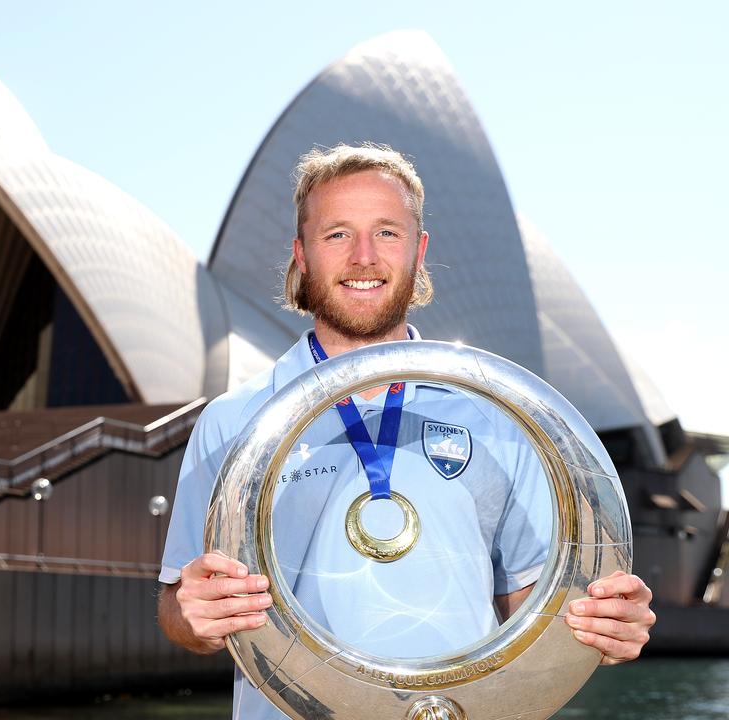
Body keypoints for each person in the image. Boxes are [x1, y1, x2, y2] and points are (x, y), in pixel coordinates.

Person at [157, 144, 657, 717]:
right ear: (302, 254)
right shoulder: (234, 420)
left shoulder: (498, 413)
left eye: (388, 233)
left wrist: (600, 625)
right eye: (337, 234)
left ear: (419, 250)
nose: (364, 257)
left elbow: (529, 603)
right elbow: (178, 607)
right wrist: (193, 617)